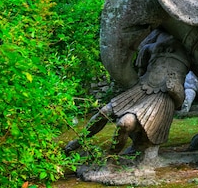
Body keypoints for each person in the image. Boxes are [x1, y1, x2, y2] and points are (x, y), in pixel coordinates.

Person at [64, 30, 189, 158]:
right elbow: (141, 66)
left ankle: (111, 158)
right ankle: (79, 141)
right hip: (142, 88)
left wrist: (175, 90)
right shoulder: (157, 35)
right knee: (104, 112)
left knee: (125, 123)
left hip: (160, 98)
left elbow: (179, 101)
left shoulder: (190, 43)